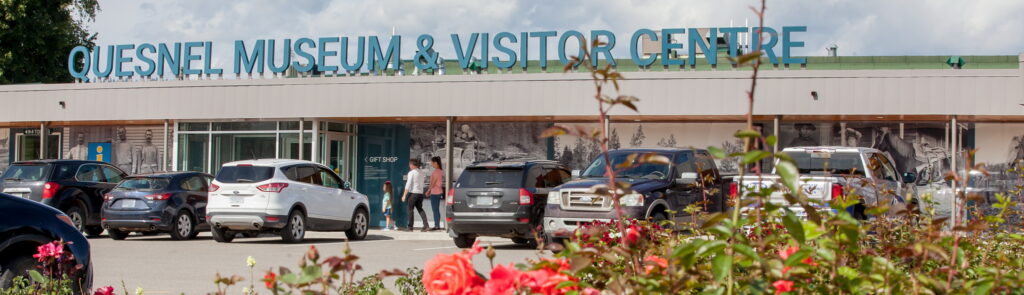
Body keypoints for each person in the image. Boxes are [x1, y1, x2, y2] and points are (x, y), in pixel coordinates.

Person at [401, 159, 429, 232]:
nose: (409, 166)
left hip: (413, 193)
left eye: (410, 164)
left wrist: (404, 195)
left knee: (410, 209)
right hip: (420, 193)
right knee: (420, 209)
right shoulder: (421, 172)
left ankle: (410, 227)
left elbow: (408, 184)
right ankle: (426, 225)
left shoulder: (411, 173)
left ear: (412, 165)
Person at [428, 156, 444, 231]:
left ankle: (437, 225)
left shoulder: (436, 171)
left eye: (432, 163)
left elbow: (433, 183)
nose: (431, 164)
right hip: (438, 192)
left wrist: (428, 191)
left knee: (435, 210)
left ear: (436, 163)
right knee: (436, 209)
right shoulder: (440, 171)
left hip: (435, 192)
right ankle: (437, 225)